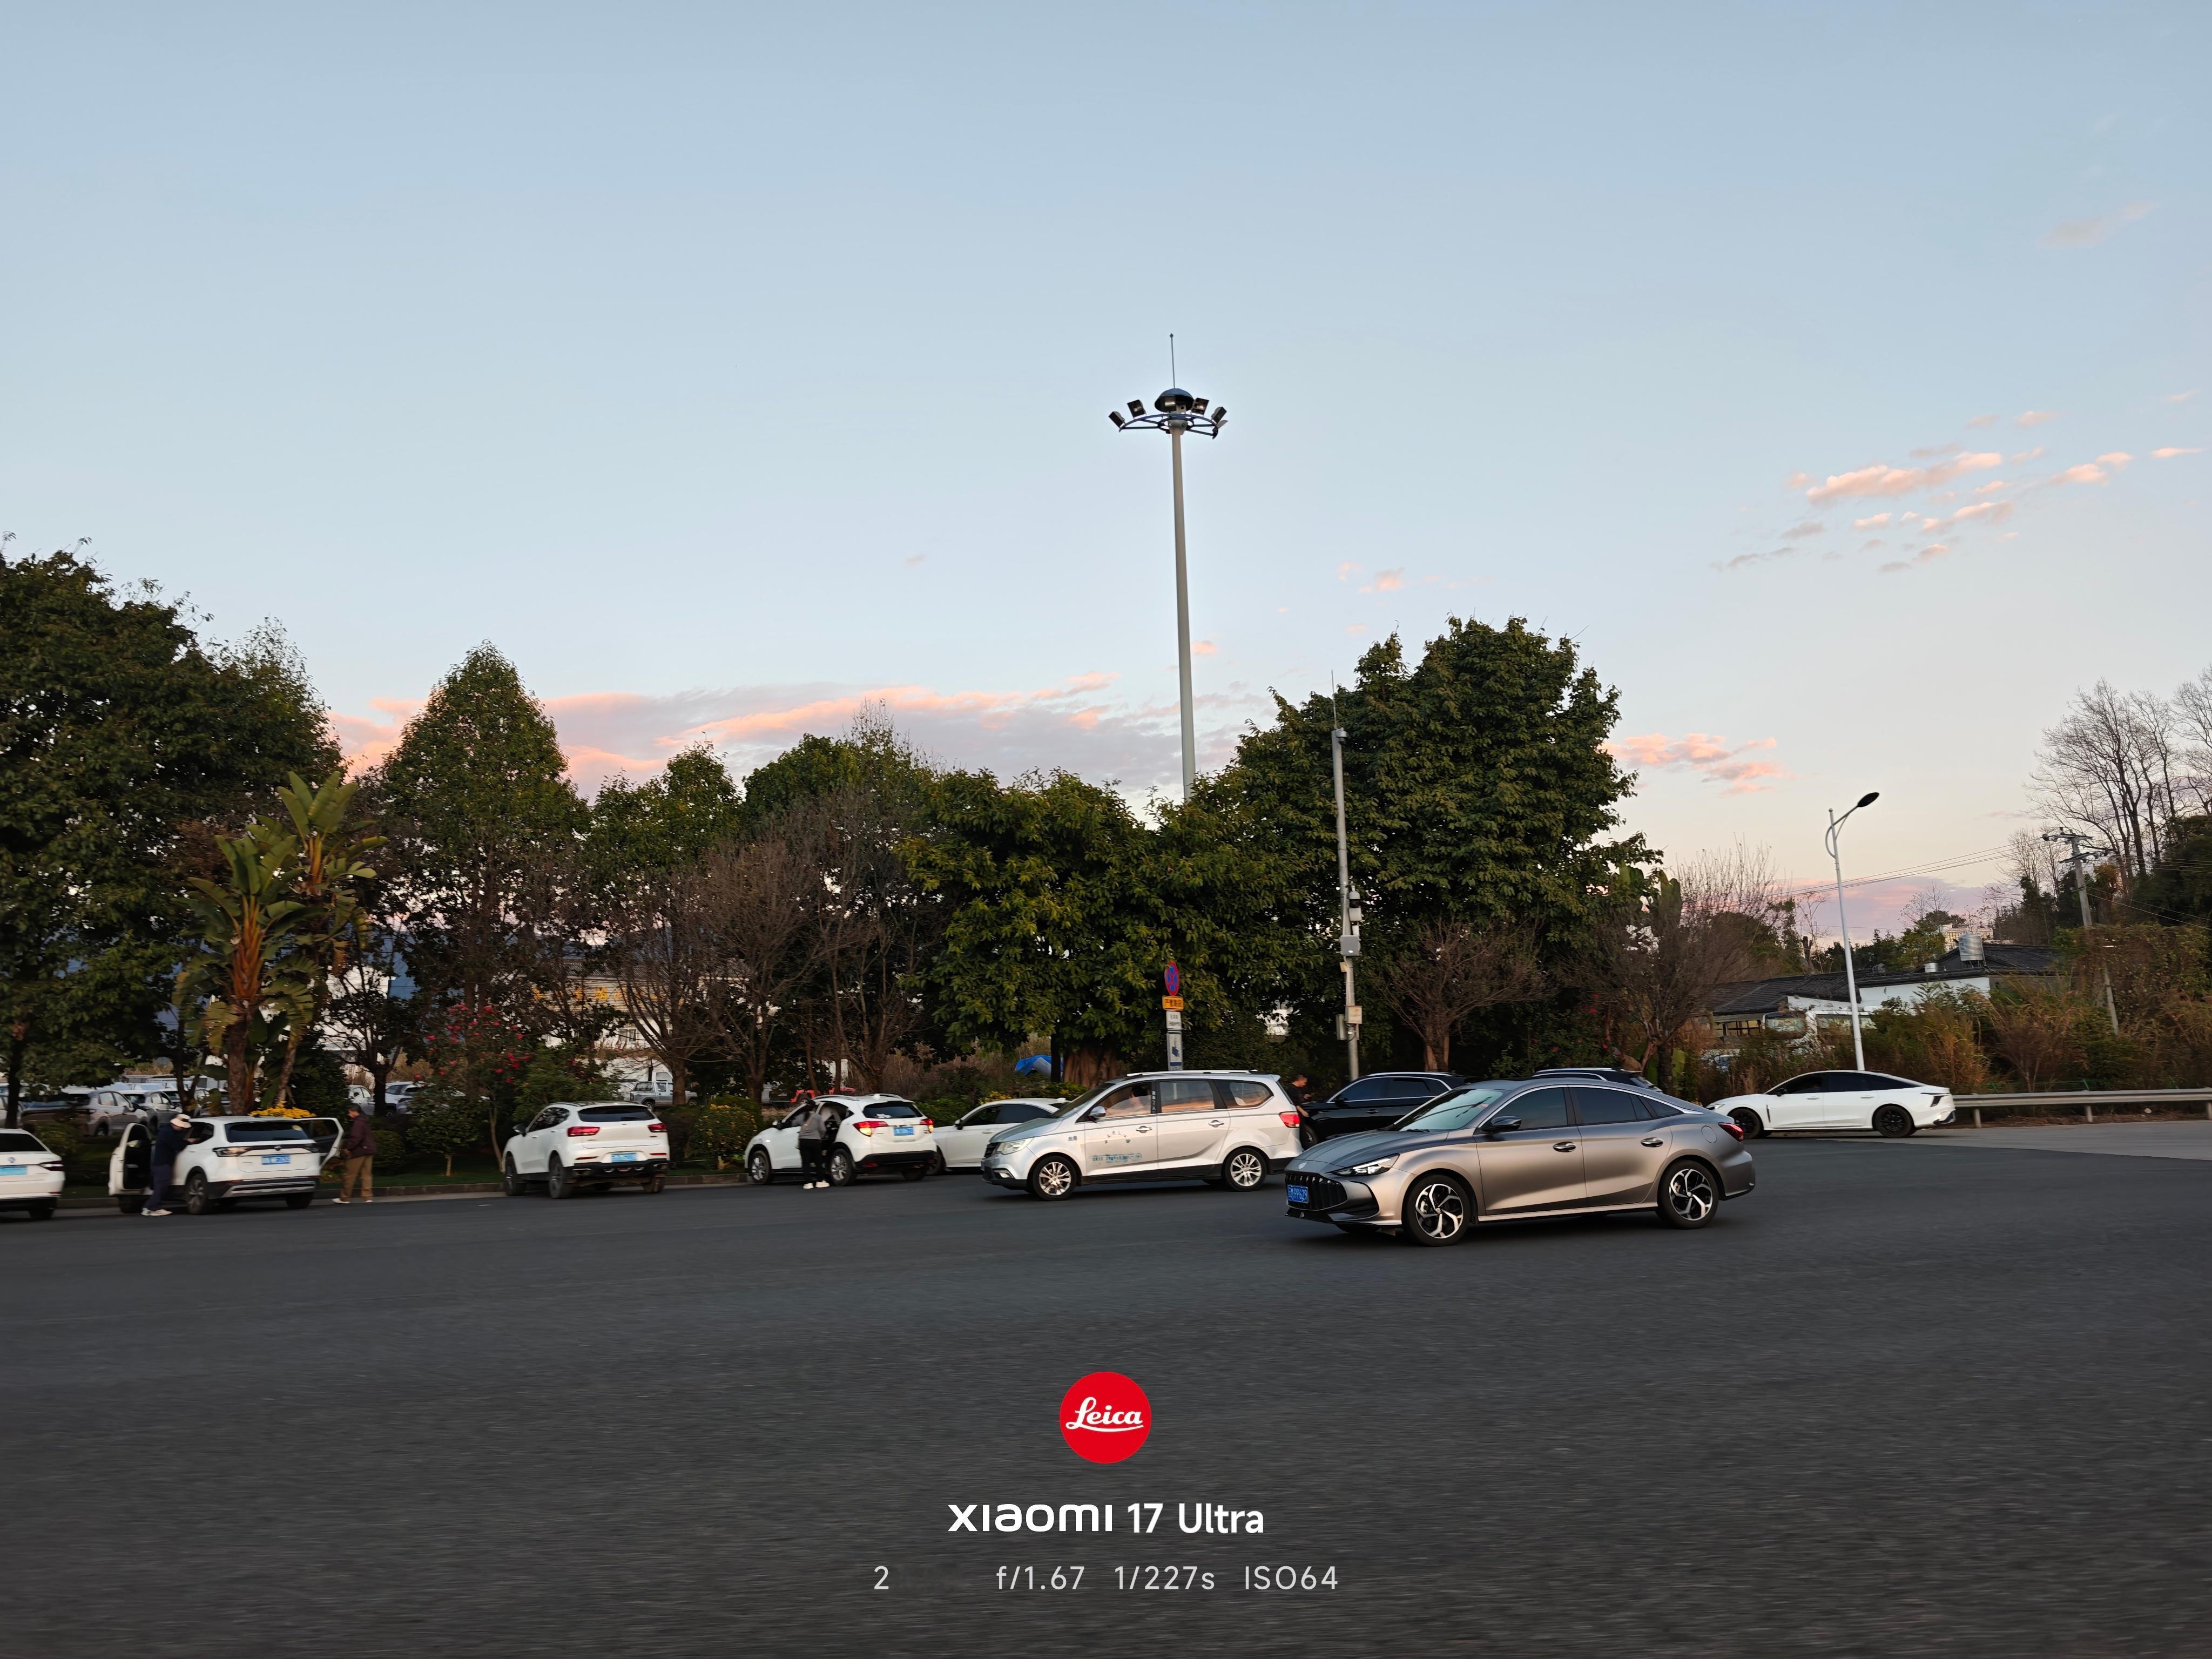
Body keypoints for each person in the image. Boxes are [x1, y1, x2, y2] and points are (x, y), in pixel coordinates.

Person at [144, 1111, 191, 1216]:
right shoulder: (169, 1133)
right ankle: (154, 1208)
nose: (183, 1129)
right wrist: (188, 1142)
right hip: (163, 1164)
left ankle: (149, 1207)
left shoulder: (166, 1131)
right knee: (161, 1187)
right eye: (182, 1127)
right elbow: (178, 1146)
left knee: (160, 1187)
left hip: (160, 1164)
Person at [334, 1104, 377, 1204]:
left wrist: (349, 1148)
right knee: (367, 1175)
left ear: (354, 1112)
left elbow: (356, 1138)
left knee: (350, 1175)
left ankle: (345, 1198)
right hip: (369, 1150)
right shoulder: (365, 1121)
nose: (349, 1115)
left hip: (358, 1151)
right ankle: (367, 1197)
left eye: (350, 1112)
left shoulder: (358, 1123)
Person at [793, 1091, 827, 1189]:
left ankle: (808, 1183)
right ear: (814, 1108)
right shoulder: (818, 1117)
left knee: (805, 1162)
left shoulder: (802, 1117)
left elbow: (794, 1123)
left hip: (803, 1141)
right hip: (815, 1141)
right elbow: (823, 1130)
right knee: (818, 1161)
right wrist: (821, 1137)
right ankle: (820, 1181)